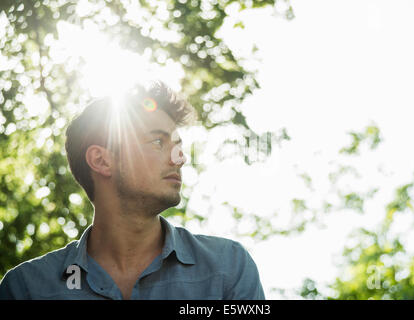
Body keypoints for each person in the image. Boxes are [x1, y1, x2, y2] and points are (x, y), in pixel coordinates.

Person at [0, 81, 265, 300]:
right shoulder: (25, 289)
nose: (180, 158)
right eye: (158, 142)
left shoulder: (228, 268)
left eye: (176, 145)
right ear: (102, 160)